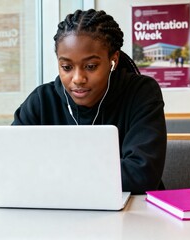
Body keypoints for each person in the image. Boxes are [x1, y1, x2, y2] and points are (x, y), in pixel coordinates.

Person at [11, 9, 167, 194]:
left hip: (133, 213)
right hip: (57, 214)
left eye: (91, 66)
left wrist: (48, 173)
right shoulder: (42, 100)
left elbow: (141, 175)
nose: (77, 78)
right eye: (66, 67)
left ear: (113, 60)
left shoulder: (141, 93)